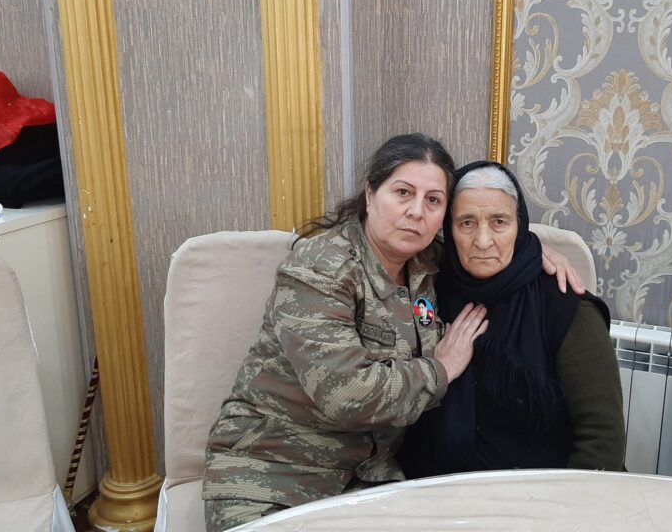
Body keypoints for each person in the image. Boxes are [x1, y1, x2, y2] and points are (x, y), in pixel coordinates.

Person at [202, 134, 583, 531]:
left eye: (433, 200)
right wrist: (441, 368)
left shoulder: (430, 262)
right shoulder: (319, 269)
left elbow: (486, 244)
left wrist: (532, 252)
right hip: (271, 475)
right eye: (403, 193)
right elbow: (346, 394)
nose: (416, 211)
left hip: (369, 482)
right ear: (370, 194)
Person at [398, 161, 626, 478]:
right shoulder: (427, 290)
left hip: (540, 496)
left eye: (499, 222)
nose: (482, 241)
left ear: (520, 226)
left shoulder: (565, 307)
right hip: (433, 489)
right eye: (466, 223)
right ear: (448, 230)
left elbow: (602, 442)